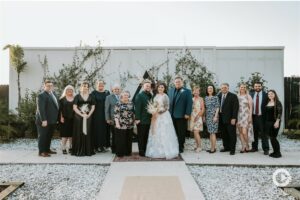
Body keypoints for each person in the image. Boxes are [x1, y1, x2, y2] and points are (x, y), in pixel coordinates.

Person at [146, 82, 179, 159]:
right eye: (159, 87)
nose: (160, 88)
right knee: (156, 131)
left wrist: (159, 112)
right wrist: (153, 111)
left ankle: (166, 151)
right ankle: (156, 151)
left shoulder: (166, 96)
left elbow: (167, 107)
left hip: (164, 116)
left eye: (162, 87)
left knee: (164, 131)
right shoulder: (156, 96)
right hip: (156, 116)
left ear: (164, 89)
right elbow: (154, 105)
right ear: (157, 88)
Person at [168, 76, 193, 153]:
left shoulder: (187, 91)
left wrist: (187, 113)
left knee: (181, 132)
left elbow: (189, 103)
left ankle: (181, 147)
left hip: (182, 115)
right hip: (171, 115)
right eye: (176, 82)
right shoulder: (170, 90)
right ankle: (174, 146)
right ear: (174, 83)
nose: (177, 83)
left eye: (179, 82)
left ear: (182, 82)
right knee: (173, 132)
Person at [36, 80, 59, 157]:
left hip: (52, 120)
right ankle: (41, 152)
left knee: (49, 136)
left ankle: (47, 149)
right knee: (43, 136)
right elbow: (41, 109)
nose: (50, 87)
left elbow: (56, 107)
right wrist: (44, 120)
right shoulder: (41, 95)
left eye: (51, 86)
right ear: (44, 86)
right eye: (48, 86)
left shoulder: (54, 94)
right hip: (44, 121)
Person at [72, 82, 95, 156]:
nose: (85, 87)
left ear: (88, 88)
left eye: (87, 86)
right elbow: (74, 107)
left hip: (88, 116)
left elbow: (93, 107)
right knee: (79, 132)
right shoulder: (77, 96)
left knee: (88, 132)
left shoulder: (91, 96)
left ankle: (88, 150)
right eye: (84, 86)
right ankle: (79, 150)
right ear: (81, 87)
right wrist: (81, 114)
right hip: (79, 117)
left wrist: (89, 115)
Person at [218, 83, 239, 155]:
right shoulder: (219, 95)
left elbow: (235, 108)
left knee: (232, 134)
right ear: (220, 88)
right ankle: (226, 147)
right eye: (222, 87)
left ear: (228, 88)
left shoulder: (233, 96)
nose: (224, 89)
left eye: (225, 87)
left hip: (230, 119)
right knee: (224, 134)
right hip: (221, 118)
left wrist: (234, 118)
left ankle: (232, 149)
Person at [250, 82, 269, 155]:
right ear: (254, 87)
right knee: (254, 133)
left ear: (261, 86)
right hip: (253, 116)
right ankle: (254, 147)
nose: (257, 87)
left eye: (259, 86)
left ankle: (266, 149)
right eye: (256, 86)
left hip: (262, 117)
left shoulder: (266, 95)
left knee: (263, 133)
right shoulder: (251, 94)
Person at [135, 80, 153, 157]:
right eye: (146, 86)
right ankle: (141, 151)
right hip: (141, 120)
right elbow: (137, 108)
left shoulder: (151, 95)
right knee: (141, 136)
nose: (148, 87)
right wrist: (137, 118)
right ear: (143, 87)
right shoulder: (140, 95)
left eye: (149, 86)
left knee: (147, 136)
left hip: (149, 120)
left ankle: (146, 149)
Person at [91, 80, 110, 153]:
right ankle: (97, 146)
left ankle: (104, 146)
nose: (101, 85)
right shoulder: (93, 93)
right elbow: (92, 103)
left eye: (102, 84)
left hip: (106, 114)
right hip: (97, 114)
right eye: (99, 84)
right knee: (97, 130)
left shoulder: (107, 92)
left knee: (105, 130)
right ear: (96, 85)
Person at [114, 91, 134, 157]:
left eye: (127, 95)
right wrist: (117, 123)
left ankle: (128, 152)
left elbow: (133, 112)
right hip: (121, 124)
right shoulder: (118, 103)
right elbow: (116, 114)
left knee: (128, 139)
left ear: (129, 96)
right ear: (122, 96)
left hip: (130, 124)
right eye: (124, 95)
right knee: (121, 139)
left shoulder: (131, 103)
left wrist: (134, 121)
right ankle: (120, 153)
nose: (126, 96)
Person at [265, 90, 283, 158]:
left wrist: (277, 121)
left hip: (274, 122)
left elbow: (279, 113)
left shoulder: (278, 103)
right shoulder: (268, 102)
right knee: (271, 138)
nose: (270, 95)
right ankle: (275, 151)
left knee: (274, 137)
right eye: (269, 94)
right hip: (268, 122)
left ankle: (278, 153)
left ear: (275, 94)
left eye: (272, 94)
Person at [236, 84, 254, 153]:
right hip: (238, 115)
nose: (242, 88)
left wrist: (250, 116)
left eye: (244, 87)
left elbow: (251, 107)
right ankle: (243, 146)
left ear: (245, 88)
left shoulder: (248, 96)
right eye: (241, 87)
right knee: (240, 132)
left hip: (246, 115)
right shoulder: (237, 96)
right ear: (239, 88)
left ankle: (247, 145)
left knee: (244, 132)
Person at [59, 85, 75, 154]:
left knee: (71, 135)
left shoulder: (75, 98)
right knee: (64, 135)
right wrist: (61, 117)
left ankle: (70, 147)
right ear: (65, 90)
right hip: (65, 119)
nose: (70, 91)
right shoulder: (62, 99)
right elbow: (60, 110)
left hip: (73, 119)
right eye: (68, 90)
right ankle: (63, 148)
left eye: (71, 90)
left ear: (73, 91)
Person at [105, 84, 121, 153]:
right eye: (115, 89)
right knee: (114, 135)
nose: (117, 90)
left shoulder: (122, 96)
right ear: (112, 90)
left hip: (122, 119)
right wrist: (108, 119)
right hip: (113, 119)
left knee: (120, 134)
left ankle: (120, 148)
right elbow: (106, 109)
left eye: (118, 89)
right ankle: (114, 149)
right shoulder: (109, 97)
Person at [188, 86, 205, 152]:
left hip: (198, 116)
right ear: (193, 92)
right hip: (192, 117)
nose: (196, 93)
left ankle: (200, 147)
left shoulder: (201, 99)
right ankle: (196, 146)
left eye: (197, 91)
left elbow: (203, 109)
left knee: (196, 132)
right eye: (194, 91)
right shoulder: (191, 99)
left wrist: (198, 116)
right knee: (194, 132)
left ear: (199, 92)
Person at [204, 85, 220, 153]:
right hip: (208, 116)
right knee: (210, 133)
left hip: (214, 117)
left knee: (213, 133)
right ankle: (212, 147)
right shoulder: (206, 98)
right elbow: (205, 108)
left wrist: (215, 116)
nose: (210, 89)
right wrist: (204, 116)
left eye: (211, 88)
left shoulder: (216, 97)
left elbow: (217, 107)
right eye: (208, 88)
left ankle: (213, 149)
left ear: (213, 90)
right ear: (207, 90)